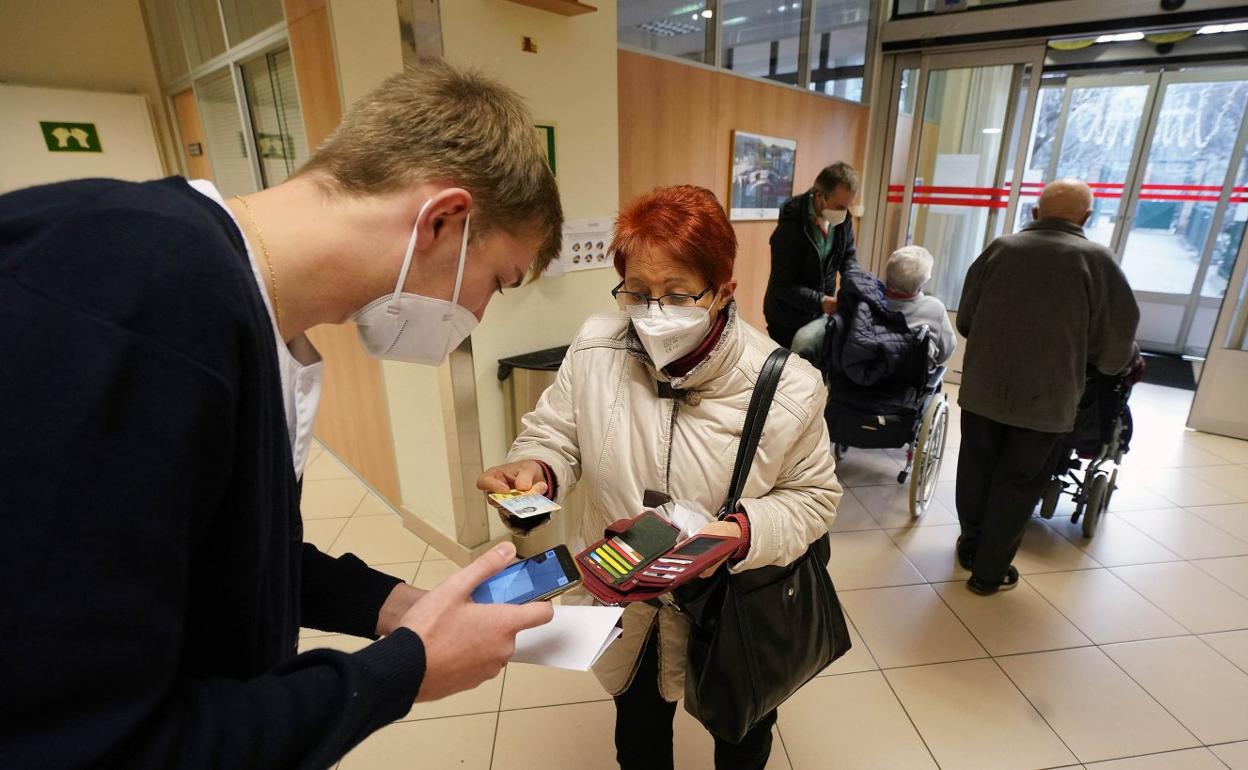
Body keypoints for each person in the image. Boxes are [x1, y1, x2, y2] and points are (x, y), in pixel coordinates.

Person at [0, 62, 558, 767]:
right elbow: (91, 740)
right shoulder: (138, 295)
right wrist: (400, 674)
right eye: (497, 283)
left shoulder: (240, 311)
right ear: (442, 221)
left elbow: (210, 554)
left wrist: (394, 604)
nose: (475, 314)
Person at [478, 185, 841, 770]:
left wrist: (741, 534)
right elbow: (557, 433)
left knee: (741, 733)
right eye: (637, 292)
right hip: (630, 598)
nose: (653, 312)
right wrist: (538, 468)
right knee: (639, 733)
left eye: (676, 295)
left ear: (724, 291)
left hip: (731, 601)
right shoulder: (596, 347)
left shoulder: (789, 386)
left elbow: (814, 498)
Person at [955, 178, 1140, 595]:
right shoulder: (1099, 262)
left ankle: (970, 546)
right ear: (1087, 218)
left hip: (984, 390)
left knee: (976, 469)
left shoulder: (999, 250)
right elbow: (1115, 350)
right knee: (1019, 482)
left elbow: (966, 320)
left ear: (1036, 213)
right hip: (1047, 400)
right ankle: (988, 572)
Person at [762, 161, 859, 361]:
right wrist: (820, 301)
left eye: (848, 206)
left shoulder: (843, 220)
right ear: (820, 196)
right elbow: (783, 286)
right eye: (840, 206)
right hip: (786, 317)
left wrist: (856, 286)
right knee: (789, 378)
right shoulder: (790, 227)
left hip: (819, 313)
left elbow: (848, 257)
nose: (845, 212)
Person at [884, 245, 956, 364]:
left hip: (865, 378)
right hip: (912, 380)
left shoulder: (870, 302)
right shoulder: (935, 308)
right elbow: (946, 351)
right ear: (923, 281)